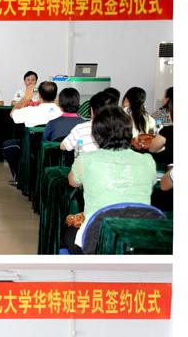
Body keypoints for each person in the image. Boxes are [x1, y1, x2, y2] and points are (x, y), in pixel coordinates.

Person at [67, 105, 157, 252]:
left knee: (67, 234)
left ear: (96, 134)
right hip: (141, 239)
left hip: (97, 240)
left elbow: (72, 181)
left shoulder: (86, 160)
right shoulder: (147, 161)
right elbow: (152, 182)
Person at [4, 81, 61, 183]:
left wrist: (25, 98)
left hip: (33, 150)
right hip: (55, 150)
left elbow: (12, 114)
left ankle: (20, 179)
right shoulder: (61, 111)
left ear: (39, 96)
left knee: (8, 145)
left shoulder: (30, 110)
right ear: (56, 95)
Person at [60, 90, 118, 156]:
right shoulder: (120, 129)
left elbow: (63, 146)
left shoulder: (80, 129)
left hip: (84, 162)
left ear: (91, 110)